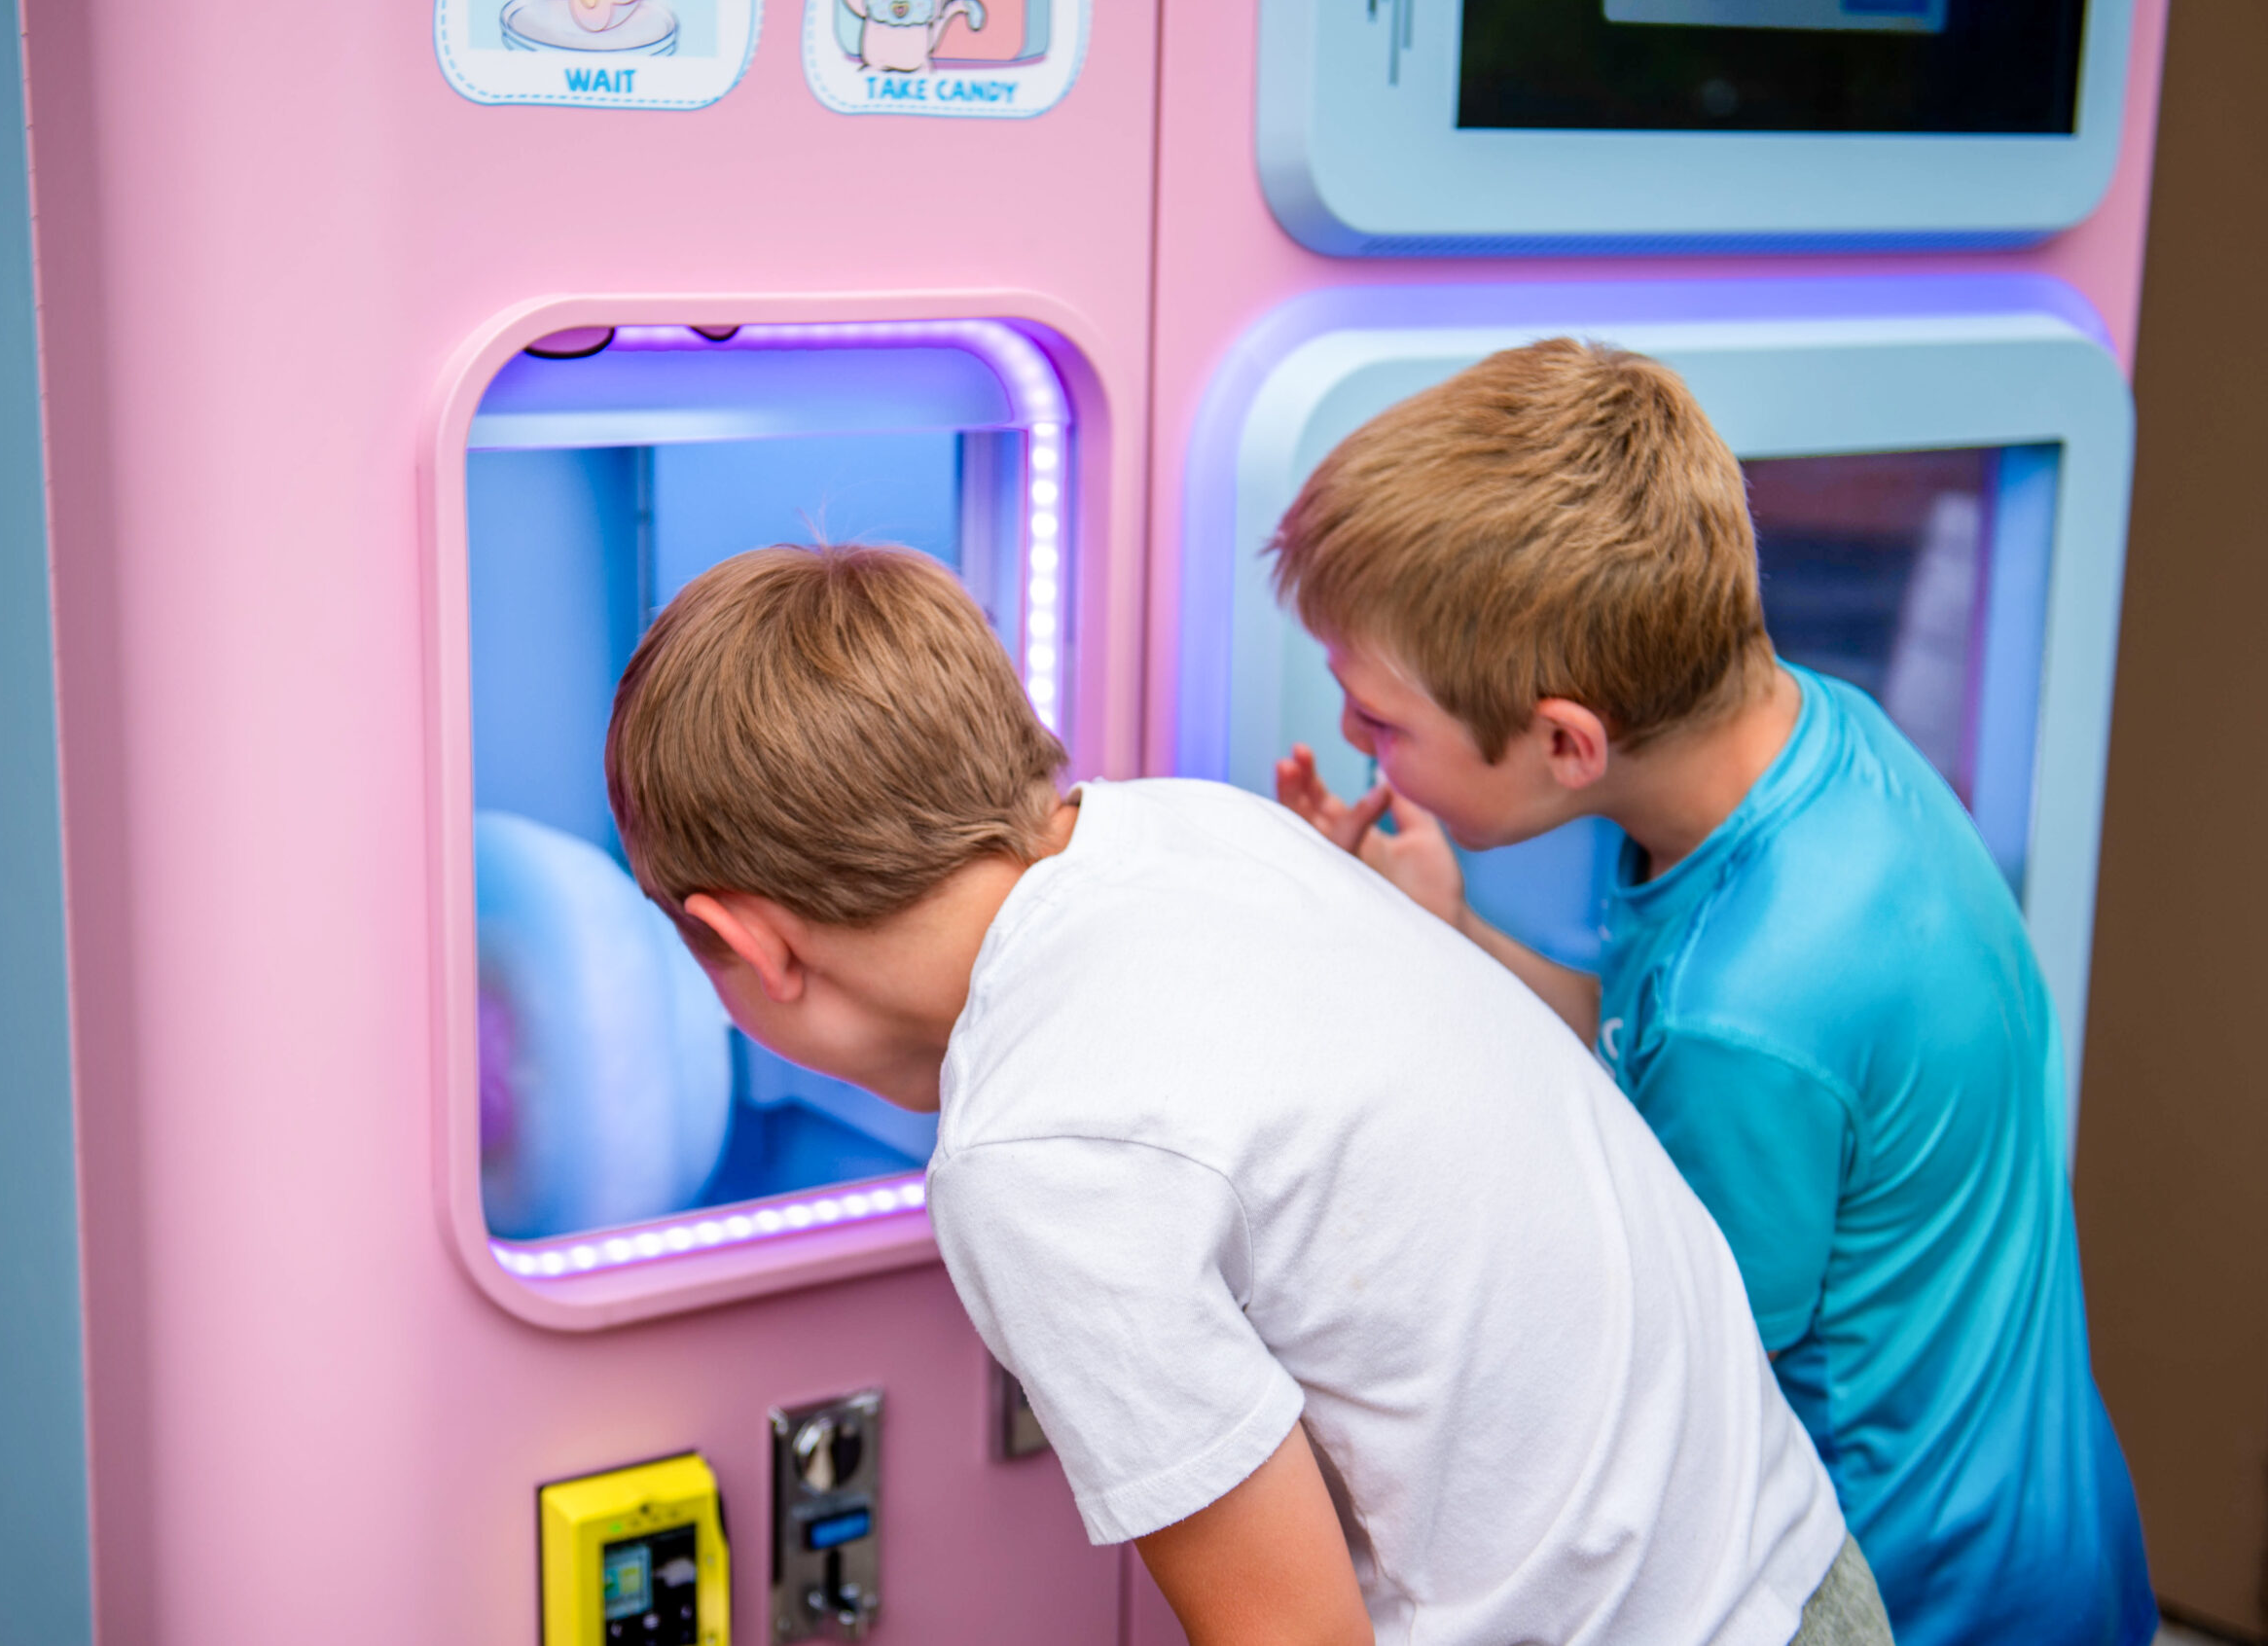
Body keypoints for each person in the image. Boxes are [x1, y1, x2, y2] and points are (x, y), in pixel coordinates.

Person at [605, 543, 1883, 1646]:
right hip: (1789, 1564)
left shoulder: (1039, 1152)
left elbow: (1291, 1635)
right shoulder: (1189, 830)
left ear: (753, 945)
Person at [1269, 338, 2154, 1646]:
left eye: (1386, 720)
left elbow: (1660, 1383)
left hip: (1905, 1592)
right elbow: (1646, 1031)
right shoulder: (1810, 742)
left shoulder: (1756, 1004)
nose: (1356, 739)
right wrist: (1454, 927)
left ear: (1570, 742)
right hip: (2042, 1521)